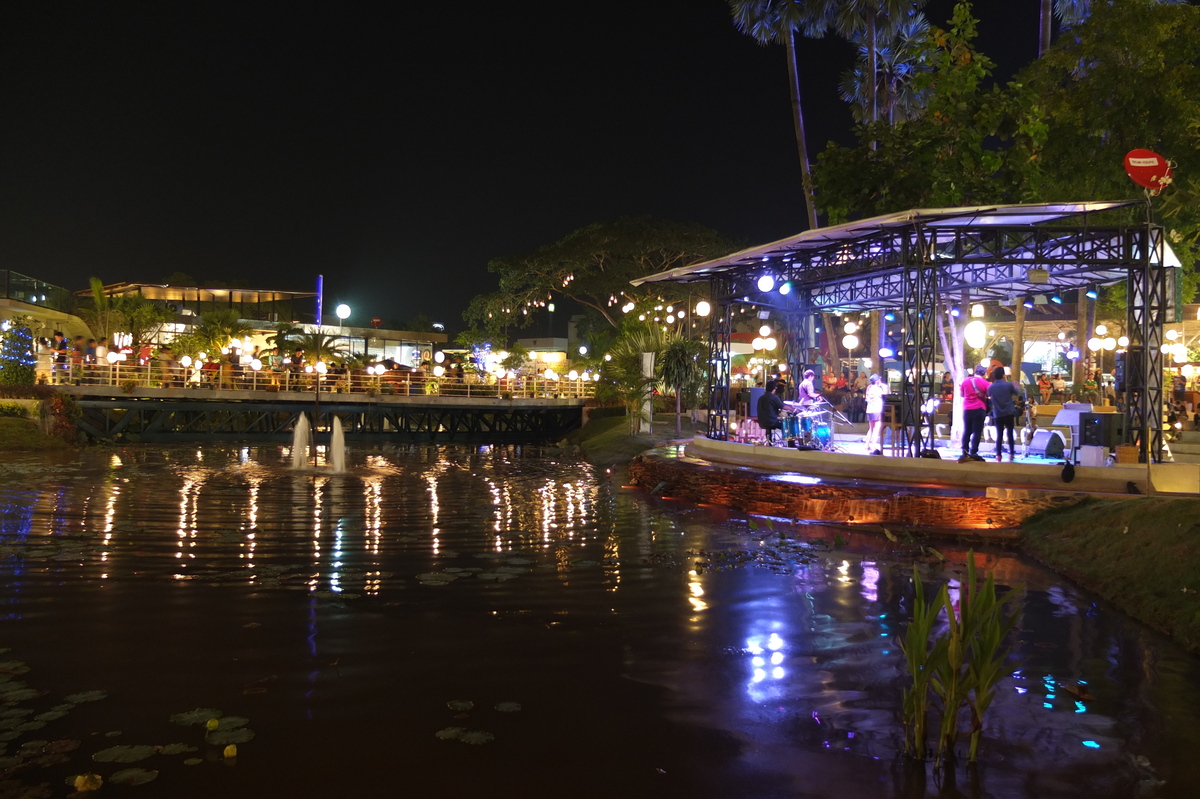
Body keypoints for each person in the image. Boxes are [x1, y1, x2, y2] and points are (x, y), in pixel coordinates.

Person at [988, 366, 1021, 462]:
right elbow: (1016, 393)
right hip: (1009, 412)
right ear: (1003, 375)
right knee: (1010, 433)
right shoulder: (1008, 385)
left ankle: (998, 455)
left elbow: (990, 398)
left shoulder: (991, 387)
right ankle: (1011, 454)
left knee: (999, 434)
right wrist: (1016, 386)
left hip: (997, 413)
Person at [959, 364, 990, 462]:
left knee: (967, 430)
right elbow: (989, 395)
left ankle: (964, 451)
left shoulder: (965, 381)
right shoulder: (985, 383)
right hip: (979, 409)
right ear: (984, 373)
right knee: (977, 431)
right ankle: (973, 452)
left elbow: (962, 394)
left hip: (967, 409)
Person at [756, 379, 785, 445]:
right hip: (772, 422)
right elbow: (783, 407)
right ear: (774, 389)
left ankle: (769, 440)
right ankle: (789, 441)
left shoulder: (761, 398)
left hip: (762, 422)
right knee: (785, 425)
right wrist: (795, 408)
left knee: (768, 422)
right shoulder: (774, 397)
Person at [864, 374, 887, 455]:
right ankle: (873, 446)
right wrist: (883, 386)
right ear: (877, 381)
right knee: (876, 429)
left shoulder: (869, 388)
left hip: (869, 410)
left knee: (871, 428)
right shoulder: (878, 389)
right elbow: (886, 393)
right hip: (877, 409)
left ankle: (867, 445)